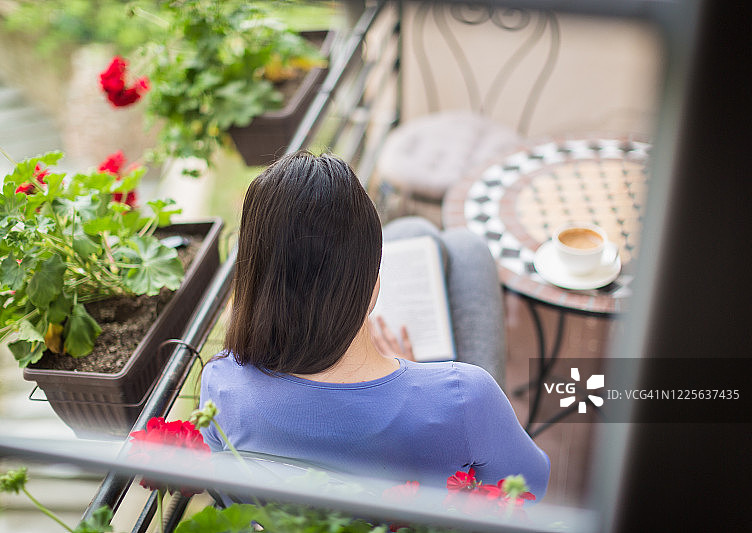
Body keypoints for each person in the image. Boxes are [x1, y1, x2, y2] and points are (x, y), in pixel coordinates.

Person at [199, 151, 550, 498]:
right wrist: (420, 376)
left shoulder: (221, 385)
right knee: (467, 248)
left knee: (416, 233)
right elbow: (531, 487)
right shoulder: (465, 397)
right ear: (371, 288)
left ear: (252, 278)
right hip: (444, 433)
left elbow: (226, 487)